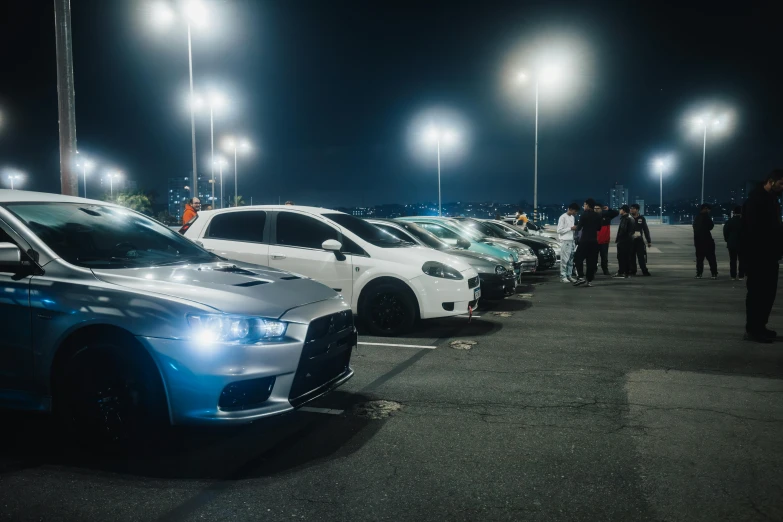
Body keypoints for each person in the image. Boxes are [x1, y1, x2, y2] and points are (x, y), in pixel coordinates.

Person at [741, 170, 783, 343]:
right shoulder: (755, 201)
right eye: (781, 183)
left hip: (770, 255)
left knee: (768, 294)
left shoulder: (771, 200)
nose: (782, 187)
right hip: (757, 256)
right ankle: (752, 330)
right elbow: (753, 231)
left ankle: (761, 326)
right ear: (770, 181)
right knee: (757, 294)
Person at [573, 198, 602, 288]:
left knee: (578, 258)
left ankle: (581, 277)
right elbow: (599, 228)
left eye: (585, 204)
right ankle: (589, 280)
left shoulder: (584, 215)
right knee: (591, 262)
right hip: (594, 241)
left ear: (588, 205)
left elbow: (579, 227)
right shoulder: (598, 215)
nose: (584, 206)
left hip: (584, 240)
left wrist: (575, 227)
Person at [693, 203, 718, 279]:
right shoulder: (706, 217)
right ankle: (714, 274)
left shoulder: (696, 218)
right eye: (709, 210)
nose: (709, 211)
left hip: (698, 242)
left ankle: (699, 274)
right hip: (707, 241)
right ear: (706, 209)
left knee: (700, 259)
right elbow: (711, 226)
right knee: (711, 258)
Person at [557, 203, 580, 283]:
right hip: (565, 241)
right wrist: (570, 228)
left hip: (571, 240)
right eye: (575, 211)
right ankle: (563, 276)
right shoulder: (562, 217)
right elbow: (559, 230)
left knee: (570, 260)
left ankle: (569, 275)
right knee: (564, 260)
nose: (575, 213)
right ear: (570, 209)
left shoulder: (572, 217)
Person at [595, 203, 619, 275]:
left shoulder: (606, 216)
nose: (596, 210)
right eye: (595, 208)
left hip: (604, 241)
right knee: (594, 257)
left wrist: (609, 209)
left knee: (604, 257)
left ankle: (605, 269)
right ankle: (594, 270)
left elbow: (616, 213)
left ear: (601, 209)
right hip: (594, 241)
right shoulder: (592, 216)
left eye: (598, 208)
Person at [629, 203, 652, 276]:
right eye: (631, 208)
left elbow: (645, 229)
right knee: (631, 257)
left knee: (641, 257)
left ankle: (644, 271)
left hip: (639, 241)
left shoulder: (641, 218)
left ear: (637, 210)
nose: (631, 210)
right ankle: (633, 270)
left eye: (633, 208)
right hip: (630, 241)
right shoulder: (628, 218)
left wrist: (649, 241)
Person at [613, 205, 635, 278]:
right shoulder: (629, 218)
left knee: (622, 257)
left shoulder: (626, 219)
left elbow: (623, 231)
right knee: (625, 257)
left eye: (621, 209)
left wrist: (619, 240)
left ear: (624, 210)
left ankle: (623, 272)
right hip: (628, 241)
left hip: (624, 241)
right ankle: (625, 272)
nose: (620, 211)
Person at [723, 206, 744, 281]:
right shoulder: (744, 221)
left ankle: (733, 276)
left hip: (731, 243)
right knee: (742, 260)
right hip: (742, 244)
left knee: (733, 260)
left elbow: (725, 232)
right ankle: (741, 275)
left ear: (734, 212)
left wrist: (727, 240)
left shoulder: (729, 221)